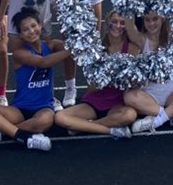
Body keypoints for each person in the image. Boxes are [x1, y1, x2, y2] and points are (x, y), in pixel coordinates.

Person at [0, 8, 71, 151]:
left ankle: (1, 133)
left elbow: (70, 44)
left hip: (43, 107)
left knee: (45, 120)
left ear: (40, 26)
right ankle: (26, 136)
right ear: (20, 34)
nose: (31, 31)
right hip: (20, 109)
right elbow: (43, 62)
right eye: (25, 30)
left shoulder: (51, 45)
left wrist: (78, 39)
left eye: (33, 26)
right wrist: (73, 50)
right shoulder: (20, 53)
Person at [54, 11, 138, 140]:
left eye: (122, 23)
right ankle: (110, 130)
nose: (118, 26)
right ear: (107, 23)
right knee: (60, 117)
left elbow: (133, 83)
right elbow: (92, 87)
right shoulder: (97, 47)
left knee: (129, 115)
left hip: (118, 103)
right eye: (114, 22)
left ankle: (84, 127)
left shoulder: (132, 48)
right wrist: (112, 75)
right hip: (95, 100)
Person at [124, 12, 173, 133]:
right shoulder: (142, 40)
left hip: (172, 93)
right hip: (148, 95)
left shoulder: (172, 39)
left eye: (155, 19)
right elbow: (129, 27)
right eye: (147, 20)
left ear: (162, 19)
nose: (151, 23)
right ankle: (172, 114)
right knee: (129, 96)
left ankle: (157, 120)